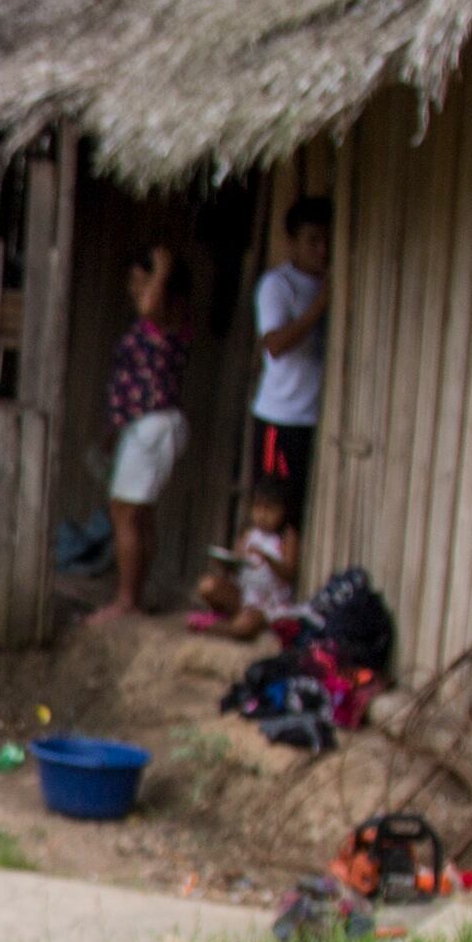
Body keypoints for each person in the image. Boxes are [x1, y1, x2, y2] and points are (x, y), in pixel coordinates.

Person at [89, 239, 188, 623]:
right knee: (139, 515)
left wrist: (161, 270)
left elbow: (150, 306)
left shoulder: (166, 314)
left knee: (126, 514)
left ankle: (126, 601)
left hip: (154, 425)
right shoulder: (159, 317)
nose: (135, 291)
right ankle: (134, 596)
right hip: (145, 425)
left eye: (141, 281)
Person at [250, 196, 332, 506]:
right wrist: (320, 305)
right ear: (292, 242)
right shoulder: (278, 286)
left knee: (300, 511)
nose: (321, 249)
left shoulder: (329, 282)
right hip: (281, 417)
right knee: (273, 511)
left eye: (326, 240)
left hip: (314, 419)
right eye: (312, 241)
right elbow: (275, 345)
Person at [191, 477, 299, 641]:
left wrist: (267, 558)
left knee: (245, 625)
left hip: (269, 603)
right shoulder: (249, 533)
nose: (262, 515)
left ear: (283, 510)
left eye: (269, 509)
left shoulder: (287, 536)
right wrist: (227, 563)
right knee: (207, 585)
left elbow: (289, 572)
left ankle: (215, 627)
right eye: (257, 508)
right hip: (244, 596)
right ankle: (227, 622)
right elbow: (237, 562)